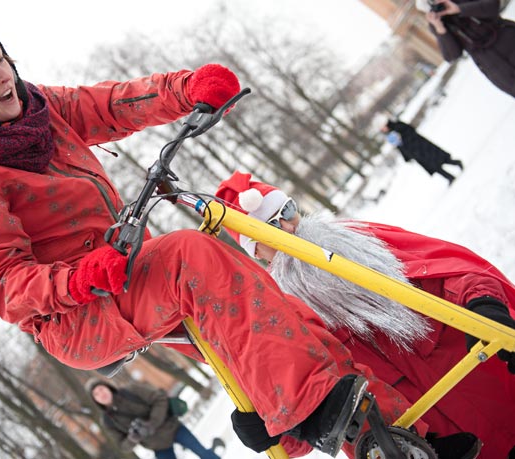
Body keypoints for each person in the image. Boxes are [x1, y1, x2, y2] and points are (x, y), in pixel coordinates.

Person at [0, 11, 475, 458]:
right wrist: (80, 277)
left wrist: (186, 89)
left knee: (279, 321)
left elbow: (112, 104)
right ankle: (315, 415)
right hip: (75, 314)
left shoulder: (40, 111)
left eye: (1, 60)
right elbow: (8, 288)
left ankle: (397, 440)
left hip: (124, 270)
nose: (4, 79)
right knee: (193, 257)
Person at [215, 171, 515, 459]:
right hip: (428, 440)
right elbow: (312, 413)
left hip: (486, 384)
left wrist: (485, 303)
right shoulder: (282, 319)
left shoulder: (359, 243)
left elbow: (446, 272)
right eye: (272, 227)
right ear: (255, 251)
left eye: (287, 211)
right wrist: (271, 428)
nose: (289, 227)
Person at [86, 379, 219, 459]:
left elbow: (159, 399)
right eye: (96, 394)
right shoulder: (108, 420)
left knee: (203, 453)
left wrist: (152, 423)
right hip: (158, 446)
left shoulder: (131, 390)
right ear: (95, 401)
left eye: (101, 389)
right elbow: (122, 446)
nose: (101, 394)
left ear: (108, 387)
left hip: (173, 428)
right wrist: (133, 438)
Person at [415, 0, 515, 98]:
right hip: (493, 64)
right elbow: (452, 55)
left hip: (507, 38)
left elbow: (493, 6)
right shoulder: (438, 23)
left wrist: (460, 9)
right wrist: (441, 29)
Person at [382, 118, 463, 185]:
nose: (383, 129)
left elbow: (411, 130)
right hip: (415, 153)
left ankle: (456, 162)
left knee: (439, 158)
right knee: (432, 165)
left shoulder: (398, 125)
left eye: (383, 127)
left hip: (421, 146)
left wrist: (403, 138)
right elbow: (400, 147)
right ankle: (449, 177)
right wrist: (406, 157)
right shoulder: (390, 136)